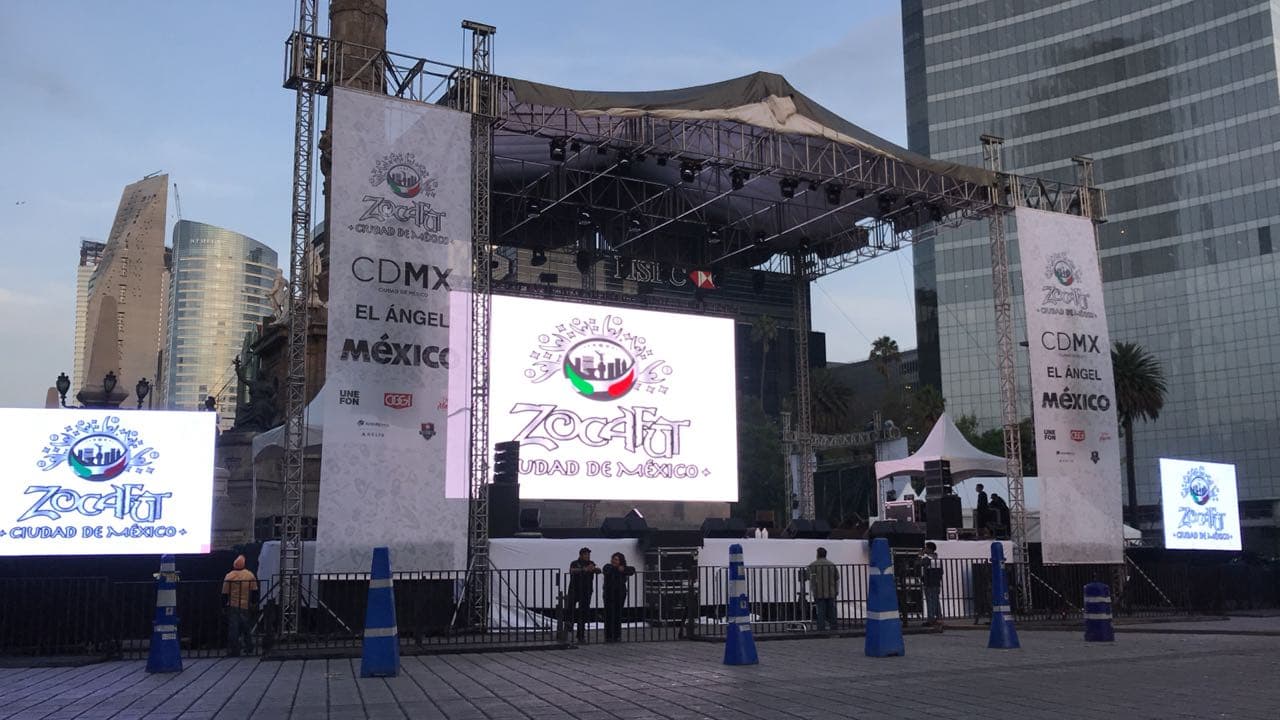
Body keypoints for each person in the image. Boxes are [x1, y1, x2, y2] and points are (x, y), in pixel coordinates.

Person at [221, 555, 259, 656]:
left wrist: (223, 606)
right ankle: (249, 646)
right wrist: (254, 603)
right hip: (245, 605)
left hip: (233, 605)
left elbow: (224, 593)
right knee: (246, 627)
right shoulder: (250, 575)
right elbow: (254, 591)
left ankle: (234, 649)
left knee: (233, 628)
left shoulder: (229, 576)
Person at [601, 552, 636, 642]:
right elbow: (607, 570)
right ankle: (609, 635)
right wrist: (618, 568)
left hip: (620, 593)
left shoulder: (623, 568)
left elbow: (632, 570)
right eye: (613, 559)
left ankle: (617, 635)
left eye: (616, 559)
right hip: (609, 593)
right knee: (609, 614)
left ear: (621, 561)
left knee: (618, 614)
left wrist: (623, 569)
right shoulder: (608, 566)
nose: (614, 561)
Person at [568, 547, 599, 643]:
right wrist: (584, 570)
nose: (588, 556)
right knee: (570, 609)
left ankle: (580, 635)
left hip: (586, 591)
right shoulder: (575, 563)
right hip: (575, 589)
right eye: (586, 555)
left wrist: (593, 569)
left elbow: (597, 570)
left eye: (588, 555)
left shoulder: (591, 563)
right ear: (581, 555)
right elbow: (572, 570)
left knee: (583, 613)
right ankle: (569, 624)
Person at [807, 547, 840, 632]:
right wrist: (836, 590)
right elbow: (837, 578)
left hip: (819, 591)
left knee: (820, 611)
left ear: (817, 554)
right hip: (831, 591)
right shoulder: (832, 565)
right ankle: (834, 627)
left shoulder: (813, 565)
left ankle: (821, 628)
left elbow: (808, 576)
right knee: (832, 610)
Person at [919, 542, 943, 627]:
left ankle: (931, 619)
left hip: (929, 582)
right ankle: (938, 617)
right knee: (936, 600)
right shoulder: (937, 558)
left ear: (929, 549)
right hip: (936, 582)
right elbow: (941, 572)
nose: (924, 549)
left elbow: (918, 564)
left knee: (930, 601)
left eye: (925, 547)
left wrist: (920, 555)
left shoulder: (927, 559)